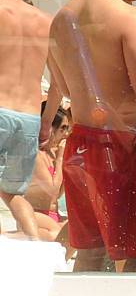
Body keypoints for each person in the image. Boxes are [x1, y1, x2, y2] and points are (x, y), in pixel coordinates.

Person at [43, 0, 136, 271]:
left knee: (90, 254)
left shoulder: (62, 18)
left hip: (80, 145)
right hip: (125, 148)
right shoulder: (131, 19)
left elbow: (64, 88)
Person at [0, 0, 51, 239]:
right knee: (13, 192)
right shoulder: (46, 21)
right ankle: (32, 241)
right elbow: (59, 79)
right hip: (30, 116)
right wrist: (46, 120)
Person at [24, 104, 71, 252]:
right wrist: (61, 159)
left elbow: (60, 193)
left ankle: (59, 264)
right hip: (35, 214)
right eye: (63, 128)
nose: (66, 133)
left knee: (77, 231)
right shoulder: (36, 155)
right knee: (57, 236)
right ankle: (9, 236)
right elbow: (52, 190)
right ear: (50, 128)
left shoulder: (52, 154)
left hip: (53, 215)